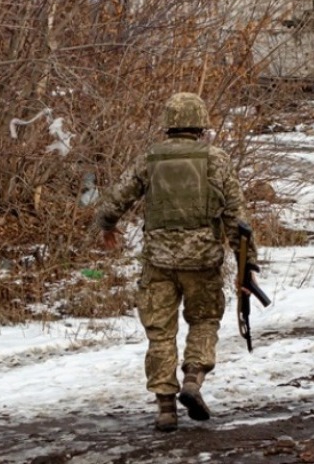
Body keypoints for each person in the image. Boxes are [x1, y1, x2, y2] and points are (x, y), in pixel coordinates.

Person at [94, 92, 259, 432]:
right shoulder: (216, 159)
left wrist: (107, 226)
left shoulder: (149, 160)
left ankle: (165, 408)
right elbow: (236, 217)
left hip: (158, 262)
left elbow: (115, 201)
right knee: (204, 321)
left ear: (168, 124)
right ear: (200, 124)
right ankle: (194, 380)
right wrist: (247, 266)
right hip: (203, 261)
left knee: (160, 334)